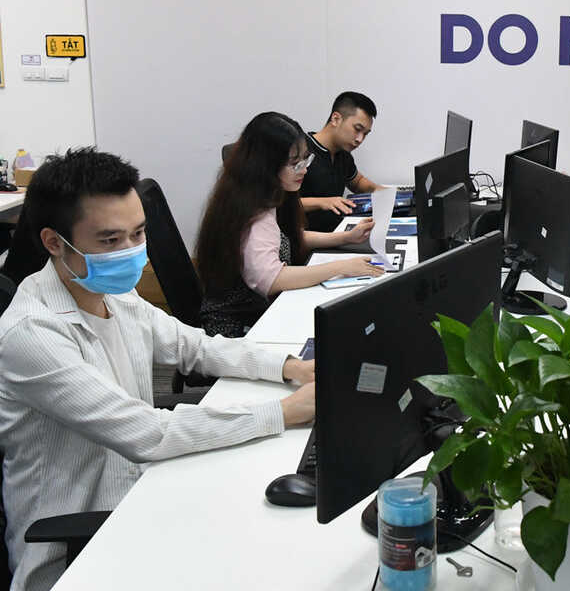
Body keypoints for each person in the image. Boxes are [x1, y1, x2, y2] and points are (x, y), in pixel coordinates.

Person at [0, 148, 317, 591]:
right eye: (110, 240)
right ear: (55, 242)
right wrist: (283, 412)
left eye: (138, 233)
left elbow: (195, 347)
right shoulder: (32, 333)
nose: (131, 252)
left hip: (143, 492)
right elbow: (147, 433)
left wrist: (290, 367)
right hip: (79, 550)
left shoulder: (113, 293)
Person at [195, 112, 383, 338]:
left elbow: (285, 239)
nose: (304, 169)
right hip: (238, 329)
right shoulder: (252, 212)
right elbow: (272, 279)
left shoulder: (266, 193)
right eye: (295, 163)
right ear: (266, 165)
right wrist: (341, 267)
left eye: (305, 159)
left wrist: (345, 238)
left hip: (263, 310)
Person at [300, 91, 383, 232]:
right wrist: (322, 202)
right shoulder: (301, 150)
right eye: (357, 129)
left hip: (338, 234)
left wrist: (389, 193)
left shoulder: (343, 154)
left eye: (365, 134)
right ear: (336, 119)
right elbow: (280, 204)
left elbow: (358, 182)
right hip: (308, 238)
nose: (360, 139)